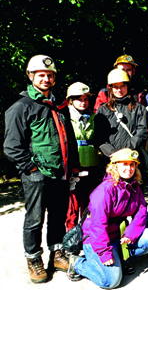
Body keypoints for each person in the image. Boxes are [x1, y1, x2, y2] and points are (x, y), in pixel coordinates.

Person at [4, 55, 79, 283]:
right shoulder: (21, 107)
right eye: (41, 75)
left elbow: (69, 139)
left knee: (58, 215)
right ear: (31, 76)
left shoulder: (57, 106)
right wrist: (31, 169)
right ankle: (34, 259)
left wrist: (73, 167)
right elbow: (11, 146)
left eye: (49, 75)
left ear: (54, 78)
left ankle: (57, 254)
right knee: (35, 218)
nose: (45, 79)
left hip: (60, 173)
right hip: (36, 174)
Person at [68, 149, 148, 289]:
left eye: (132, 165)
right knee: (110, 281)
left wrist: (130, 234)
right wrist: (105, 253)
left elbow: (141, 212)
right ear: (115, 166)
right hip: (96, 239)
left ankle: (119, 260)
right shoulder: (105, 190)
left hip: (117, 236)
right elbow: (98, 225)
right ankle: (77, 263)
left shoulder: (134, 186)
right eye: (124, 164)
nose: (129, 168)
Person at [65, 82, 100, 231]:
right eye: (79, 99)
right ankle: (72, 235)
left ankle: (86, 233)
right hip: (74, 163)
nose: (83, 102)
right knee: (72, 203)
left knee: (88, 202)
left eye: (86, 99)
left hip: (91, 163)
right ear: (71, 100)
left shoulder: (93, 116)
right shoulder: (64, 116)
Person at [94, 69, 148, 161]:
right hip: (111, 159)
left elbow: (142, 132)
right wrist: (112, 153)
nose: (119, 90)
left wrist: (127, 150)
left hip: (133, 157)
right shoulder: (103, 110)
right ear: (110, 88)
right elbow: (99, 137)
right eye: (115, 87)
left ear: (127, 86)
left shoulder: (139, 108)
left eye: (122, 86)